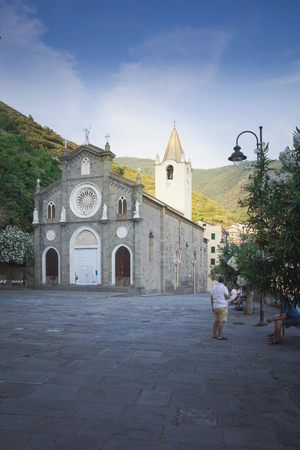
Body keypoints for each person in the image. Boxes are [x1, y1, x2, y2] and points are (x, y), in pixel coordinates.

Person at [211, 275, 231, 340]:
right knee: (221, 321)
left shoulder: (213, 287)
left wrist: (213, 306)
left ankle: (214, 334)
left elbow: (212, 297)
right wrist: (229, 296)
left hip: (216, 306)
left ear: (218, 280)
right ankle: (219, 336)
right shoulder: (224, 288)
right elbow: (227, 297)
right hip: (222, 306)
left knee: (216, 321)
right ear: (224, 281)